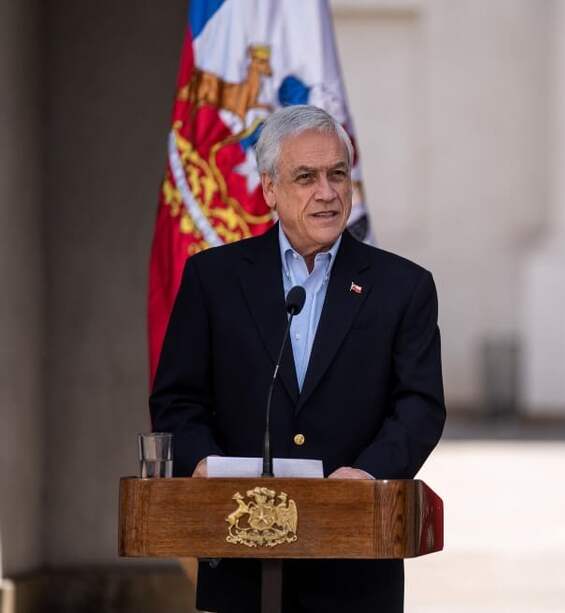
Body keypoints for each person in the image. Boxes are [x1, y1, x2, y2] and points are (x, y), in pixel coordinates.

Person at [150, 104, 446, 613]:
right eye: (305, 177)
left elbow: (420, 405)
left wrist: (369, 475)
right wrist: (200, 462)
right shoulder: (214, 279)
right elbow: (178, 398)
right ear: (269, 189)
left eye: (337, 174)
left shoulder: (403, 287)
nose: (326, 193)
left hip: (354, 564)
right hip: (239, 555)